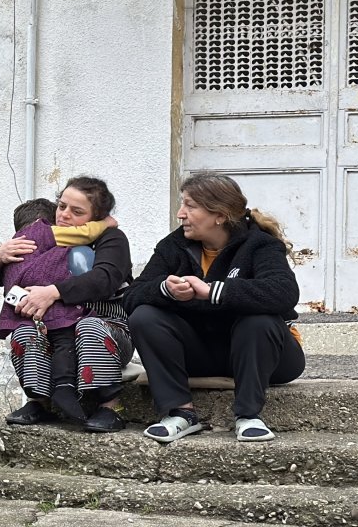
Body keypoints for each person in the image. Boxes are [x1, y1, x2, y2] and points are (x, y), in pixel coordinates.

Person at [123, 171, 305, 444]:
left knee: (259, 318)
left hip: (268, 357)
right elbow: (131, 296)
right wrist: (165, 290)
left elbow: (284, 292)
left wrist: (213, 292)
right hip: (200, 353)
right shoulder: (173, 246)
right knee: (144, 316)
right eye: (182, 205)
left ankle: (248, 416)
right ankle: (180, 414)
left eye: (190, 206)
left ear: (219, 215)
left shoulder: (260, 244)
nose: (180, 214)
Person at [0, 177, 134, 433]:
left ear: (96, 216)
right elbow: (1, 276)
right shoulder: (47, 237)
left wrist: (53, 292)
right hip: (55, 333)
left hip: (108, 331)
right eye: (62, 206)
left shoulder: (111, 239)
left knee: (88, 327)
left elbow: (104, 279)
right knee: (26, 331)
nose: (64, 215)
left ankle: (110, 406)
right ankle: (39, 402)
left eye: (77, 211)